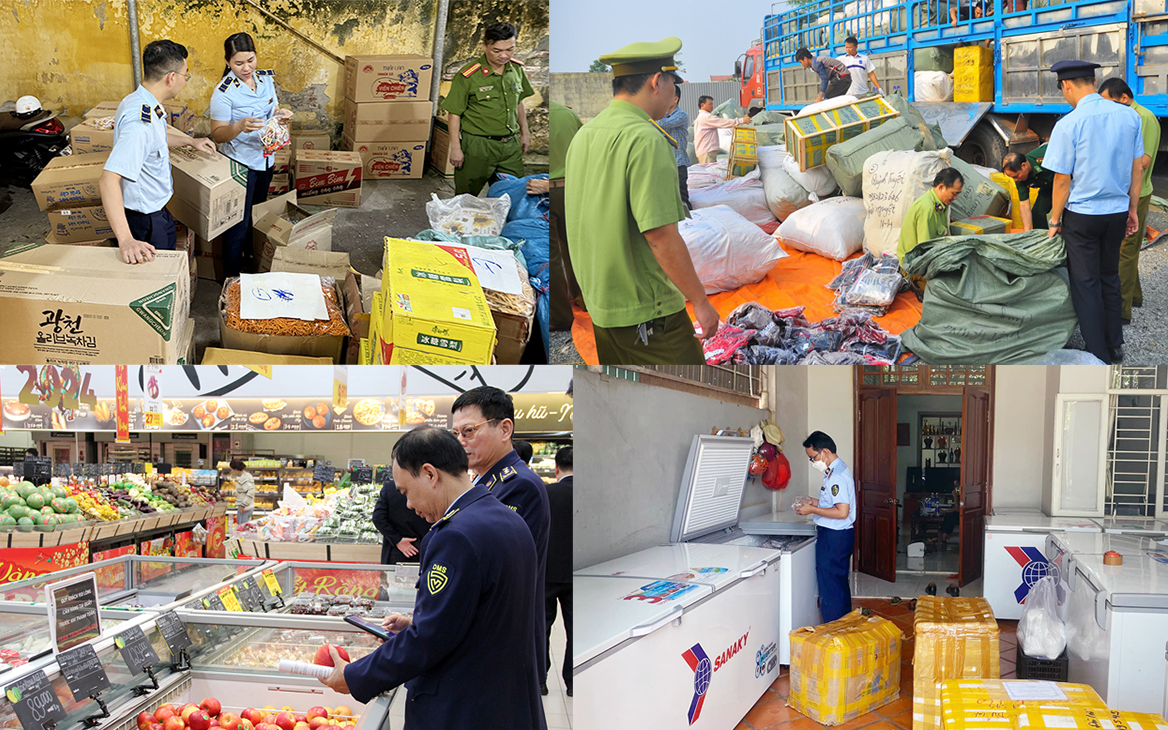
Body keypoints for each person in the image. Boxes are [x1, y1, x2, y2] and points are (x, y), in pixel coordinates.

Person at [319, 427, 545, 730]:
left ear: (429, 474)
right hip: (506, 701)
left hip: (463, 709)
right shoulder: (507, 519)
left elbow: (428, 640)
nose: (409, 505)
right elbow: (488, 611)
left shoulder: (456, 535)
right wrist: (420, 620)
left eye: (405, 491)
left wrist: (354, 676)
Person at [565, 37, 721, 365]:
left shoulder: (585, 134)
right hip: (647, 313)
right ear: (656, 81)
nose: (674, 93)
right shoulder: (646, 139)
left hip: (602, 306)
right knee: (688, 383)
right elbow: (660, 236)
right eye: (673, 83)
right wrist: (701, 301)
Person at [1043, 60, 1143, 364]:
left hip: (1083, 216)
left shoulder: (1068, 124)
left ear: (1066, 86)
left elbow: (1062, 180)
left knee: (1086, 284)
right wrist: (1133, 209)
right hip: (1117, 212)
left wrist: (1054, 220)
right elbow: (1137, 168)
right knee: (1109, 276)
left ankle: (1098, 353)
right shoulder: (1129, 116)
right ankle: (1115, 345)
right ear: (1094, 81)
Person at [451, 386, 550, 675]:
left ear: (505, 429)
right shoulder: (486, 482)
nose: (461, 442)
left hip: (504, 634)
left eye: (469, 431)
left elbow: (499, 563)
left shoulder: (519, 485)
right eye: (456, 434)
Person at [99, 40, 217, 265]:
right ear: (171, 77)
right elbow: (108, 180)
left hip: (156, 213)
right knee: (159, 276)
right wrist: (126, 240)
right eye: (185, 75)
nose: (184, 80)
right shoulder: (140, 123)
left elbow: (155, 140)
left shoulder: (141, 101)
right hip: (145, 223)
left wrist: (189, 141)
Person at [209, 32, 293, 278]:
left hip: (265, 160)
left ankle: (251, 261)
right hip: (241, 165)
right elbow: (218, 134)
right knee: (238, 222)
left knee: (256, 214)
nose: (246, 68)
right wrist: (238, 127)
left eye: (250, 60)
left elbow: (272, 110)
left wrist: (281, 115)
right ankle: (231, 278)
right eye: (238, 63)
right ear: (227, 62)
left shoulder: (265, 80)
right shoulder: (223, 93)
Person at [441, 21, 534, 196]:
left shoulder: (516, 70)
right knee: (466, 198)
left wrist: (525, 133)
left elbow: (518, 102)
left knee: (514, 195)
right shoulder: (469, 75)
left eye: (510, 49)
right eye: (497, 50)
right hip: (478, 146)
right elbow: (454, 113)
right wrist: (455, 148)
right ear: (485, 45)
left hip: (510, 146)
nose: (504, 55)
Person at [1099, 77, 1160, 324]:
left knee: (1124, 252)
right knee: (1127, 248)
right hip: (1126, 191)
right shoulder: (1126, 115)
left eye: (1109, 102)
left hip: (1137, 192)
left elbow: (1143, 161)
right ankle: (1134, 297)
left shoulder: (1143, 118)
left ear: (1124, 98)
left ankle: (1120, 311)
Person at [795, 431, 856, 624]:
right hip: (839, 536)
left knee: (830, 589)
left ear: (825, 452)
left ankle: (833, 629)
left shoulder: (836, 476)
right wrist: (813, 502)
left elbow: (842, 512)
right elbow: (833, 503)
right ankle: (843, 626)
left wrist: (812, 509)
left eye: (813, 457)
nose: (813, 462)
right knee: (838, 585)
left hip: (834, 538)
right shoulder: (835, 471)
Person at [548, 101, 584, 331]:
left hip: (545, 190)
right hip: (572, 188)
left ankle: (560, 316)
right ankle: (585, 300)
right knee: (576, 248)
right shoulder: (568, 115)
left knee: (552, 255)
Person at [543, 447, 573, 697]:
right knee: (576, 629)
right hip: (578, 573)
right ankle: (573, 682)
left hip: (546, 571)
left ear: (556, 468)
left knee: (541, 627)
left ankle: (540, 681)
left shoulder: (545, 493)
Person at [897, 168, 963, 267]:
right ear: (941, 187)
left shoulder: (942, 205)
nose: (955, 198)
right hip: (913, 266)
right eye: (954, 193)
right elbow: (925, 252)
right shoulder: (928, 208)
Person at [372, 476, 431, 564]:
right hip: (427, 549)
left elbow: (378, 518)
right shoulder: (429, 486)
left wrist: (397, 540)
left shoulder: (390, 487)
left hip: (396, 553)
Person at [1002, 146, 1054, 231]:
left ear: (1024, 165)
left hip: (1068, 182)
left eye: (1016, 176)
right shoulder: (1020, 178)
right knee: (1037, 213)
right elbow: (1024, 204)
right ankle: (1041, 237)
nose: (1015, 180)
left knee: (1067, 215)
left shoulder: (1046, 158)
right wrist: (1027, 232)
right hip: (1048, 186)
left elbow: (1064, 178)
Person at [656, 84, 692, 208]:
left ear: (675, 99)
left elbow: (661, 124)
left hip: (678, 164)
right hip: (667, 164)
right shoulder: (663, 116)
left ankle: (690, 218)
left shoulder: (681, 115)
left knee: (682, 200)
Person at [693, 95, 748, 165]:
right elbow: (722, 122)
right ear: (702, 105)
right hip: (707, 152)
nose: (712, 106)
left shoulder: (700, 117)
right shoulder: (706, 117)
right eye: (710, 104)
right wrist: (740, 121)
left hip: (705, 151)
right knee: (710, 170)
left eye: (712, 104)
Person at [230, 459, 254, 526]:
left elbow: (251, 491)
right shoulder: (248, 475)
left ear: (235, 469)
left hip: (244, 508)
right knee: (245, 527)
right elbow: (242, 492)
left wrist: (243, 505)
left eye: (232, 470)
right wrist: (229, 492)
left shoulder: (244, 478)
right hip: (249, 507)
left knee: (241, 528)